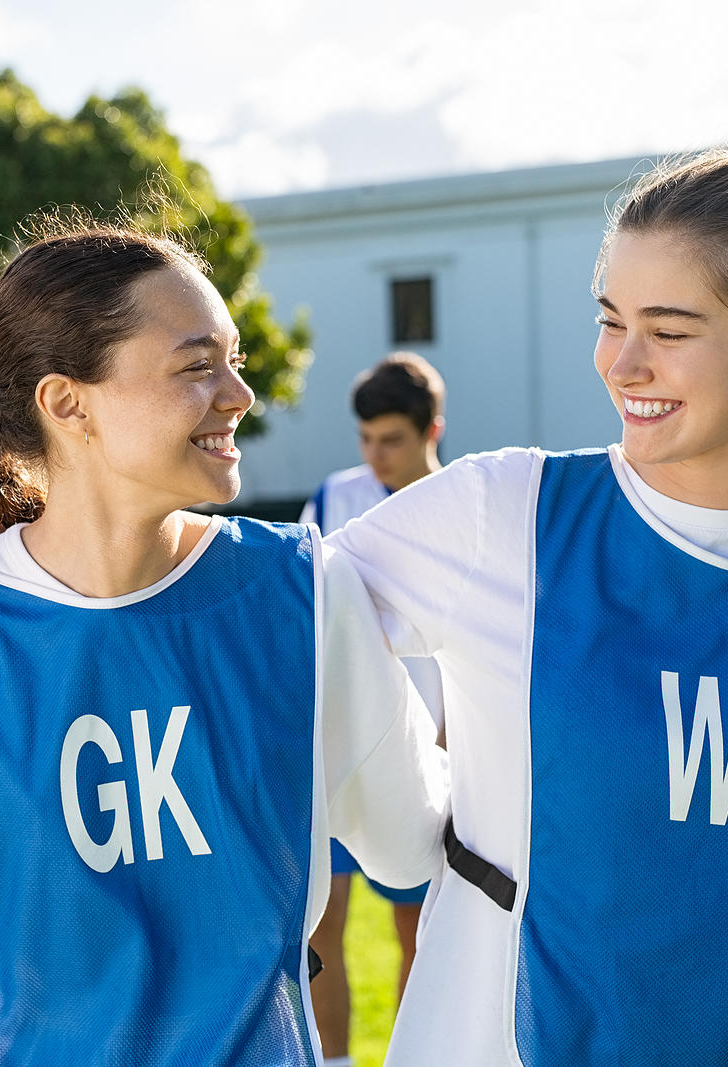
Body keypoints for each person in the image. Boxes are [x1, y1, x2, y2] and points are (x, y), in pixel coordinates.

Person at [0, 146, 728, 1066]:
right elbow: (214, 590)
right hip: (483, 1036)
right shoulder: (503, 513)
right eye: (607, 316)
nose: (621, 361)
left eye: (669, 328)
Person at [0, 223, 448, 1066]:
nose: (240, 392)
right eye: (197, 364)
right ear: (68, 404)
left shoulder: (310, 593)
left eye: (233, 359)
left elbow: (421, 845)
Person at [301, 353, 447, 1067]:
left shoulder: (464, 508)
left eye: (390, 438)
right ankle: (331, 1060)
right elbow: (305, 613)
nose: (374, 454)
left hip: (428, 755)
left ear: (431, 430)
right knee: (318, 927)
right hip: (335, 748)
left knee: (418, 928)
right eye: (365, 438)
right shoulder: (331, 498)